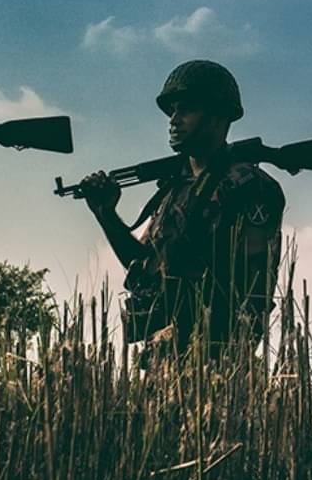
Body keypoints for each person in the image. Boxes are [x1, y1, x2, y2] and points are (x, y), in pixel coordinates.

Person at [76, 60, 284, 360]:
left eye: (186, 109)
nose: (174, 120)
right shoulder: (175, 188)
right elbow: (144, 266)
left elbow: (251, 290)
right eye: (172, 111)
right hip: (164, 354)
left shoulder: (248, 186)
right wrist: (106, 215)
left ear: (218, 116)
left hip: (215, 360)